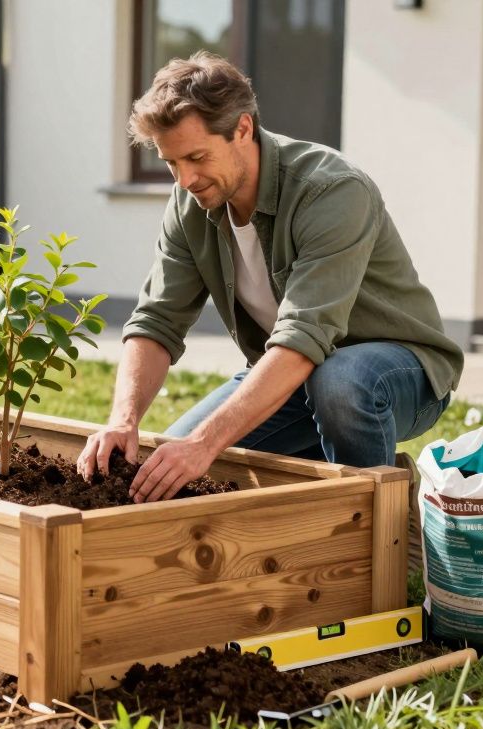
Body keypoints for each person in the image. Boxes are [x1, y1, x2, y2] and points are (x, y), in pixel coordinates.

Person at [76, 52, 463, 506]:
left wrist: (206, 443)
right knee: (171, 472)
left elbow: (303, 336)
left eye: (196, 157)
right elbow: (157, 321)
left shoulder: (332, 191)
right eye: (171, 163)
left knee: (339, 384)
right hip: (292, 374)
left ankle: (381, 526)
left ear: (242, 129)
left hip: (398, 373)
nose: (184, 180)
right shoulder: (190, 204)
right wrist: (124, 419)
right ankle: (361, 468)